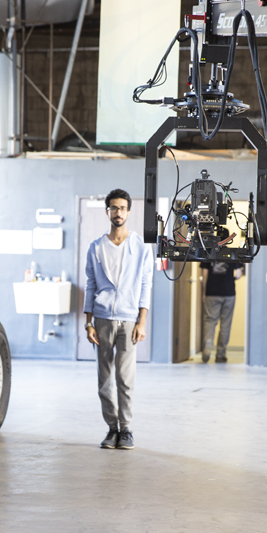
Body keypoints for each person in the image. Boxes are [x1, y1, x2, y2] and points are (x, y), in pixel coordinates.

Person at [84, 189, 153, 450]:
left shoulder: (140, 246)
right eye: (114, 208)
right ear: (107, 212)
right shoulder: (96, 247)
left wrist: (142, 321)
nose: (118, 212)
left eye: (122, 208)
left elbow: (146, 284)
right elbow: (90, 285)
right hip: (101, 319)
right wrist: (88, 322)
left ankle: (126, 429)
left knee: (125, 378)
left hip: (128, 320)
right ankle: (111, 428)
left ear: (128, 212)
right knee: (104, 379)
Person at [200, 260, 244, 363]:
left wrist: (203, 292)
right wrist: (230, 278)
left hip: (212, 292)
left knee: (210, 321)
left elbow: (204, 274)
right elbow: (238, 274)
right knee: (225, 325)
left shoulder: (208, 253)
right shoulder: (233, 253)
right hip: (229, 293)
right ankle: (221, 354)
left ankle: (208, 343)